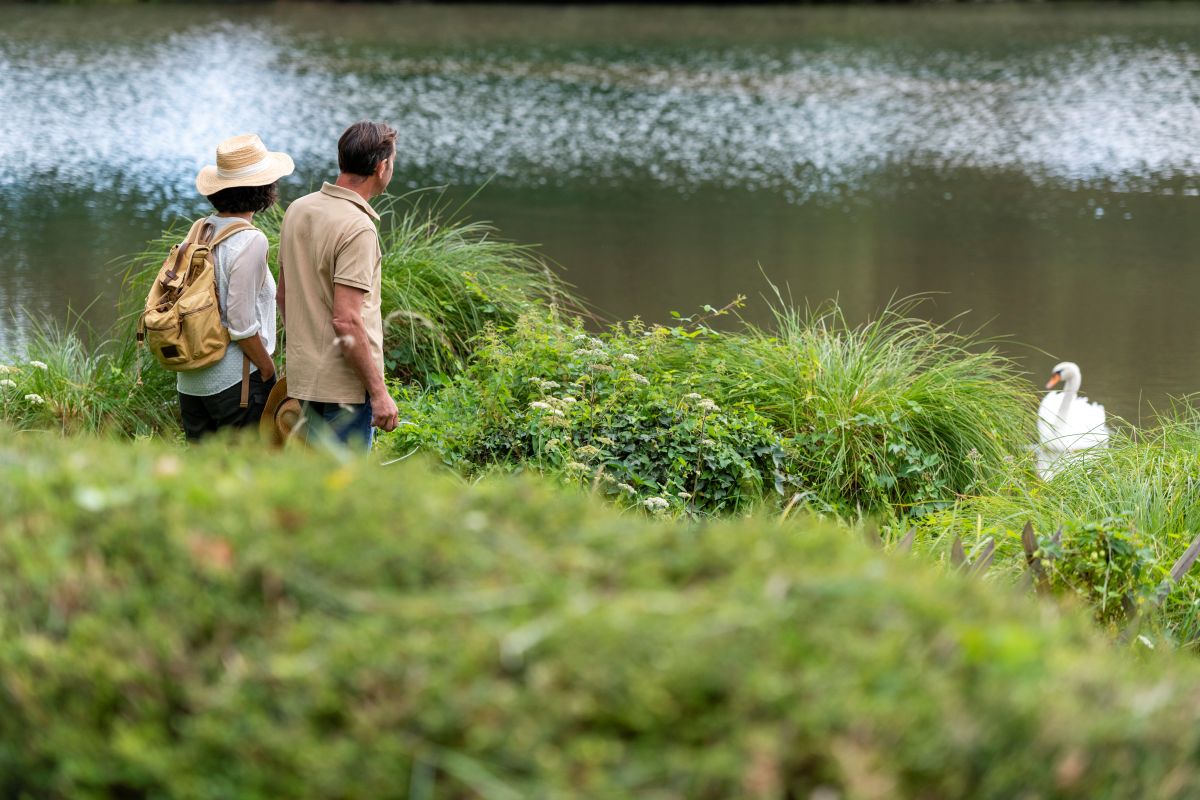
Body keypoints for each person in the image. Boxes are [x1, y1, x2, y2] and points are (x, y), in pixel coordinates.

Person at [277, 120, 400, 448]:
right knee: (342, 491)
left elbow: (283, 295)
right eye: (393, 162)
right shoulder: (358, 227)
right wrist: (379, 393)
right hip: (344, 390)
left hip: (304, 381)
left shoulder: (298, 210)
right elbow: (346, 319)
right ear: (381, 166)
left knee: (311, 485)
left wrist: (305, 352)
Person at [178, 133, 293, 442]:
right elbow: (241, 326)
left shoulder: (200, 230)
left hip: (190, 381)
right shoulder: (251, 240)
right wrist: (268, 372)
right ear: (263, 189)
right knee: (244, 477)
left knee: (203, 481)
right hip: (236, 386)